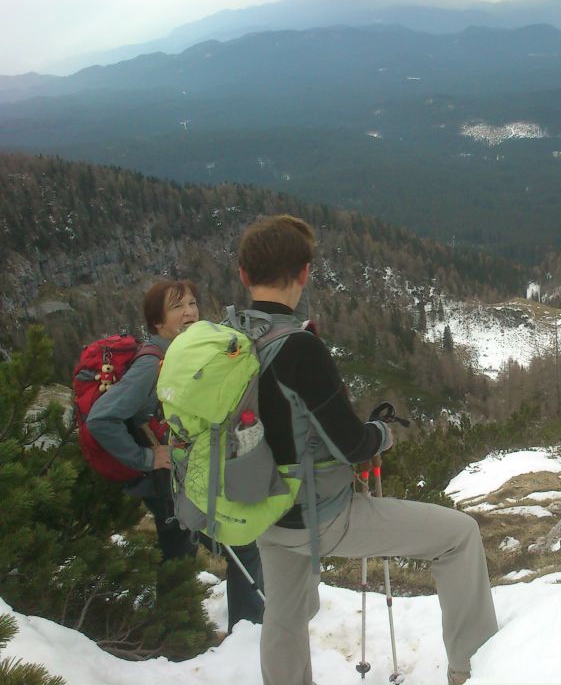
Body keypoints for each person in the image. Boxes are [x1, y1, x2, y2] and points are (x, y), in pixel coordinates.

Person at [238, 215, 498, 685]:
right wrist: (382, 433)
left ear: (243, 275)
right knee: (459, 536)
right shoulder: (299, 347)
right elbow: (350, 443)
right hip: (320, 514)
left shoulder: (230, 339)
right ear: (304, 273)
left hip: (260, 509)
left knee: (284, 615)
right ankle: (474, 671)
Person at [86, 279, 265, 634]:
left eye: (193, 304)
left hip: (179, 478)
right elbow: (100, 418)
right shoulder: (152, 365)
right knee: (238, 543)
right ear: (157, 322)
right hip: (166, 479)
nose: (190, 312)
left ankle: (174, 633)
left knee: (179, 552)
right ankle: (247, 632)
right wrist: (146, 458)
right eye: (178, 307)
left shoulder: (183, 354)